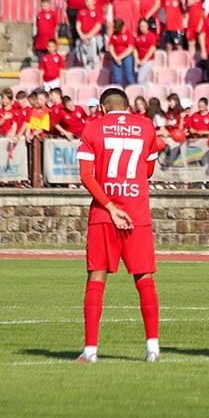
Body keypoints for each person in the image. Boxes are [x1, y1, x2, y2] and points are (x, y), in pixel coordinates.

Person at [74, 88, 162, 363]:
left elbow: (87, 176)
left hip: (104, 213)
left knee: (96, 277)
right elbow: (148, 171)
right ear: (127, 106)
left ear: (102, 107)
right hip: (137, 211)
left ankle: (90, 351)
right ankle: (153, 349)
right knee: (144, 278)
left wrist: (110, 206)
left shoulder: (93, 127)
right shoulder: (146, 126)